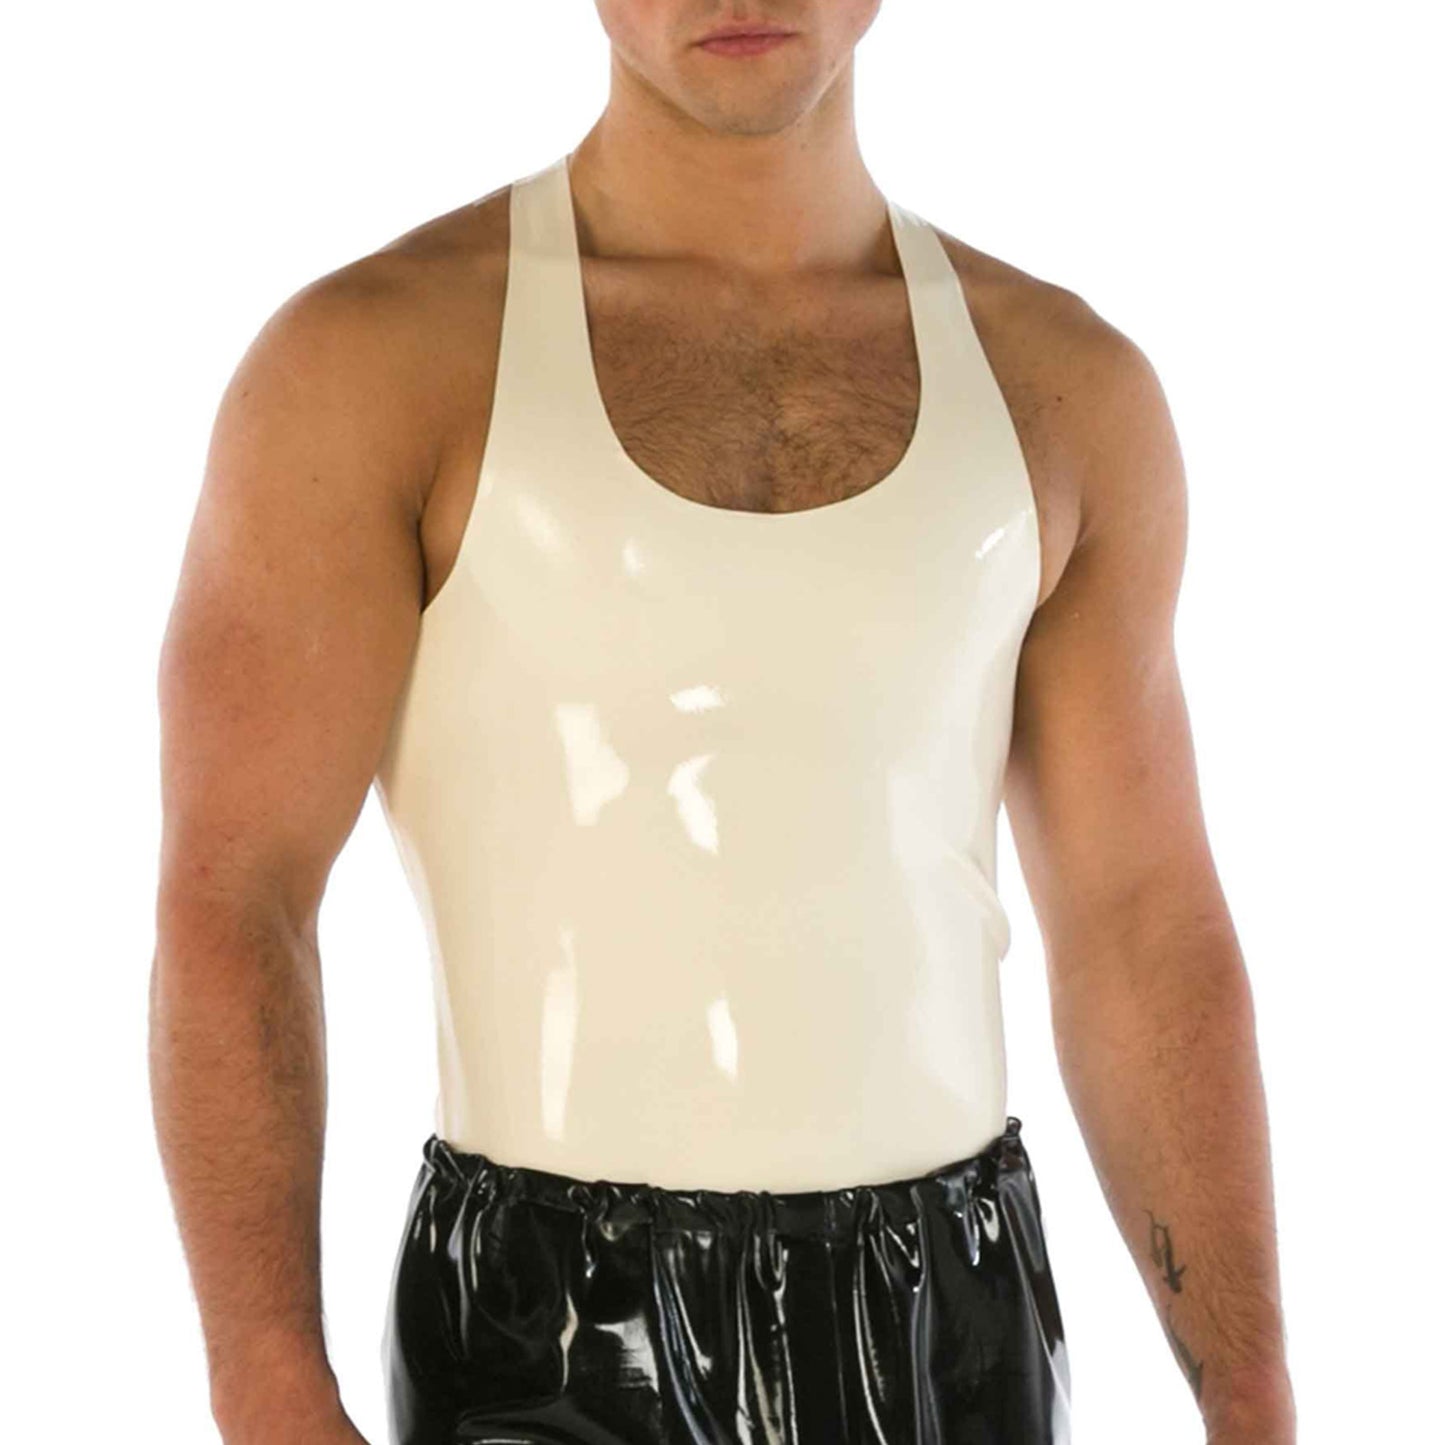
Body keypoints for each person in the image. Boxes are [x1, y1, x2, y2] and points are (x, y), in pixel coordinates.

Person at [149, 4, 1296, 1443]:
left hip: (950, 1325)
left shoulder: (1067, 391)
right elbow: (237, 893)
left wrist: (1248, 1383)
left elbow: (1140, 920)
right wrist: (267, 1386)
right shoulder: (371, 366)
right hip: (545, 1333)